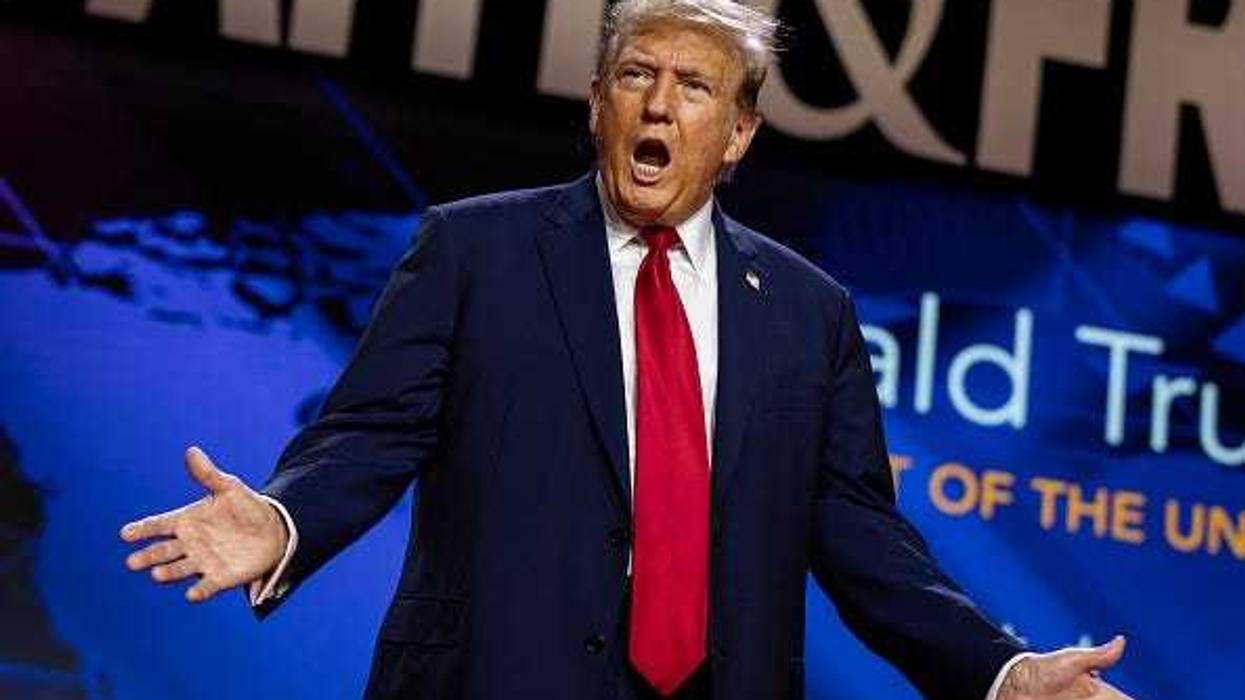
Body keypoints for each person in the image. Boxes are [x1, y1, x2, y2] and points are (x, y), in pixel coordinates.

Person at [120, 1, 1136, 698]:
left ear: (737, 134)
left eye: (695, 87)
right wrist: (287, 518)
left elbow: (861, 535)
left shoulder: (805, 311)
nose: (660, 105)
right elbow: (371, 434)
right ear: (597, 101)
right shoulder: (478, 249)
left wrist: (999, 669)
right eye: (637, 76)